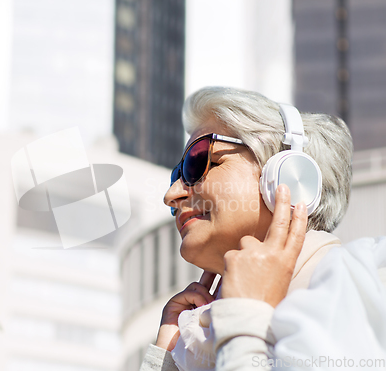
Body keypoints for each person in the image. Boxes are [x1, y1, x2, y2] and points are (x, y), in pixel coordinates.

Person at [139, 86, 386, 371]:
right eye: (175, 174)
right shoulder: (188, 341)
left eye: (197, 161)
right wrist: (165, 360)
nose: (171, 194)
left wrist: (246, 317)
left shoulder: (368, 282)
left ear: (288, 174)